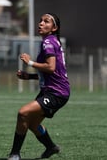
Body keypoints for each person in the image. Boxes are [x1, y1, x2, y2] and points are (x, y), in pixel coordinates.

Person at [7, 13, 70, 160]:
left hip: (57, 93)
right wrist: (29, 76)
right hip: (52, 90)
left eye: (46, 22)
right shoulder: (52, 41)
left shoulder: (48, 42)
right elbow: (52, 74)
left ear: (54, 28)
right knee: (32, 124)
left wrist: (29, 63)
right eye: (40, 21)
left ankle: (15, 155)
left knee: (23, 113)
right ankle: (51, 147)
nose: (41, 23)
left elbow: (50, 67)